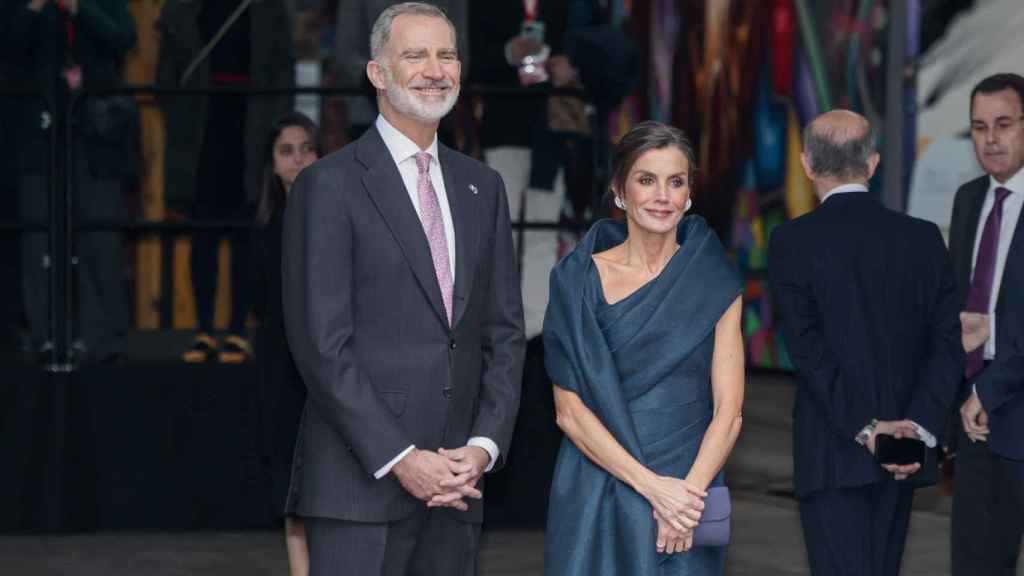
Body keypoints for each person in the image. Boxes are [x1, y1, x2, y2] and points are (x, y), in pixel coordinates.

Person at [281, 4, 525, 575]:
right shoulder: (327, 186)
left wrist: (483, 446)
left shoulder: (482, 187)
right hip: (359, 489)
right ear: (377, 72)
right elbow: (321, 346)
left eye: (447, 55)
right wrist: (401, 457)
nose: (435, 70)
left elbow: (504, 334)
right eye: (415, 55)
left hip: (457, 489)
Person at [543, 121, 745, 575]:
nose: (662, 196)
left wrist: (687, 499)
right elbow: (569, 413)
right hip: (599, 477)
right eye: (646, 180)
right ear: (620, 189)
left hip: (690, 481)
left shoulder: (715, 279)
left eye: (676, 182)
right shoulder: (576, 281)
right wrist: (654, 489)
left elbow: (729, 412)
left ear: (689, 194)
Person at [767, 110, 963, 576]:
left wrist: (867, 428)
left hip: (832, 453)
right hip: (905, 452)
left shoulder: (791, 242)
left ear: (806, 165)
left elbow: (809, 353)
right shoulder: (923, 238)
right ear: (872, 163)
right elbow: (948, 343)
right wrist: (916, 426)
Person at [156, 0, 294, 363]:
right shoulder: (181, 8)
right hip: (200, 128)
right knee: (203, 229)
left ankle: (237, 330)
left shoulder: (269, 9)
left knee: (245, 231)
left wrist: (274, 130)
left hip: (252, 126)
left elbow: (283, 75)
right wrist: (182, 117)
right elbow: (165, 78)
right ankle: (203, 330)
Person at [1, 0, 135, 364]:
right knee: (37, 241)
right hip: (35, 136)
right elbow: (9, 46)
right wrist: (32, 9)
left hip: (95, 135)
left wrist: (79, 8)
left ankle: (101, 337)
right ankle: (45, 335)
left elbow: (123, 38)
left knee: (98, 238)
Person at [948, 72, 1024, 576]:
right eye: (979, 127)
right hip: (975, 421)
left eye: (1004, 124)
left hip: (1004, 398)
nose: (991, 139)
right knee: (975, 562)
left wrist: (988, 390)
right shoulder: (969, 198)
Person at [251, 112, 320, 576]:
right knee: (290, 474)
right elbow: (260, 300)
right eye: (286, 151)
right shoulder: (264, 225)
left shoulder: (339, 214)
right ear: (272, 162)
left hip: (332, 357)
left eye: (306, 148)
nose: (297, 159)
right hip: (281, 360)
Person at [333, 0, 468, 141]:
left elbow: (460, 53)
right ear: (376, 73)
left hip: (439, 122)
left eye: (444, 56)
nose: (434, 73)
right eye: (414, 57)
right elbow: (346, 52)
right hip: (368, 112)